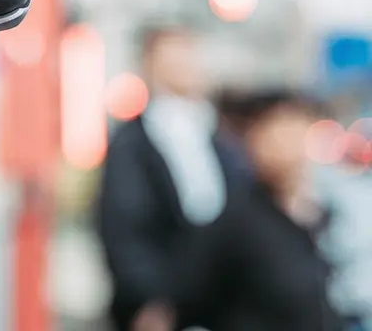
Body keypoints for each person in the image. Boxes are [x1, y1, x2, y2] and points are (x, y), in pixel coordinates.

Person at [91, 23, 238, 331]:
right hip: (163, 306)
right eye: (172, 59)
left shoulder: (218, 137)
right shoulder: (132, 144)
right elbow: (125, 229)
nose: (185, 67)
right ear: (150, 65)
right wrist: (151, 300)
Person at [169, 90, 345, 331]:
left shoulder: (326, 214)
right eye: (275, 132)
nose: (286, 146)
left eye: (294, 129)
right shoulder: (236, 223)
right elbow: (191, 296)